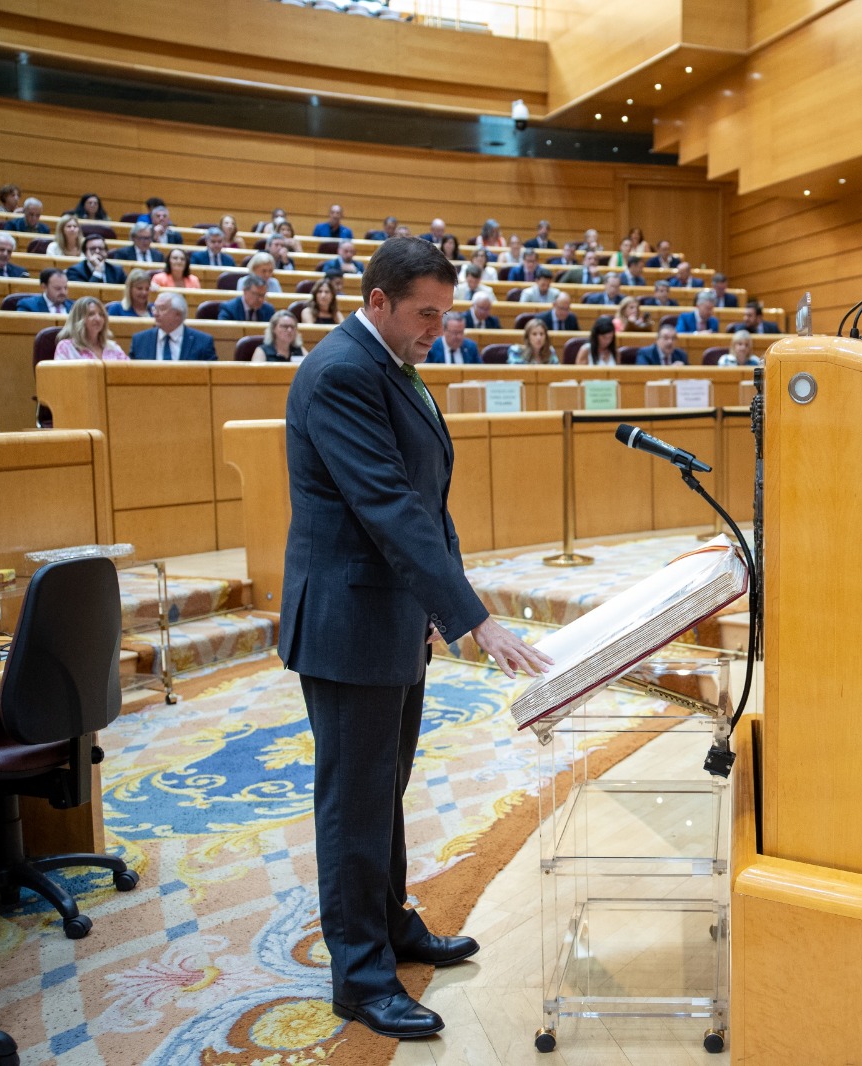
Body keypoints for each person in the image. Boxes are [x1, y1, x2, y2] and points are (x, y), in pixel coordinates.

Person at [280, 239, 549, 1039]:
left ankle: (390, 924)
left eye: (445, 313)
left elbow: (427, 498)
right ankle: (361, 977)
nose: (439, 328)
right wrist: (473, 616)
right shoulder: (341, 372)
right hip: (348, 623)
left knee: (381, 791)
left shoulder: (390, 361)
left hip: (390, 613)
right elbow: (389, 506)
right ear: (378, 301)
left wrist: (437, 602)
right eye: (426, 314)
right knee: (353, 803)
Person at [129, 292, 217, 360]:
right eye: (155, 308)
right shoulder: (140, 341)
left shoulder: (203, 342)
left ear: (178, 314)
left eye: (162, 309)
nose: (155, 314)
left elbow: (213, 375)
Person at [53, 297, 126, 360]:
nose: (98, 319)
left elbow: (128, 369)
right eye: (91, 314)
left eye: (101, 314)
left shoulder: (113, 347)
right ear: (79, 319)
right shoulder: (66, 347)